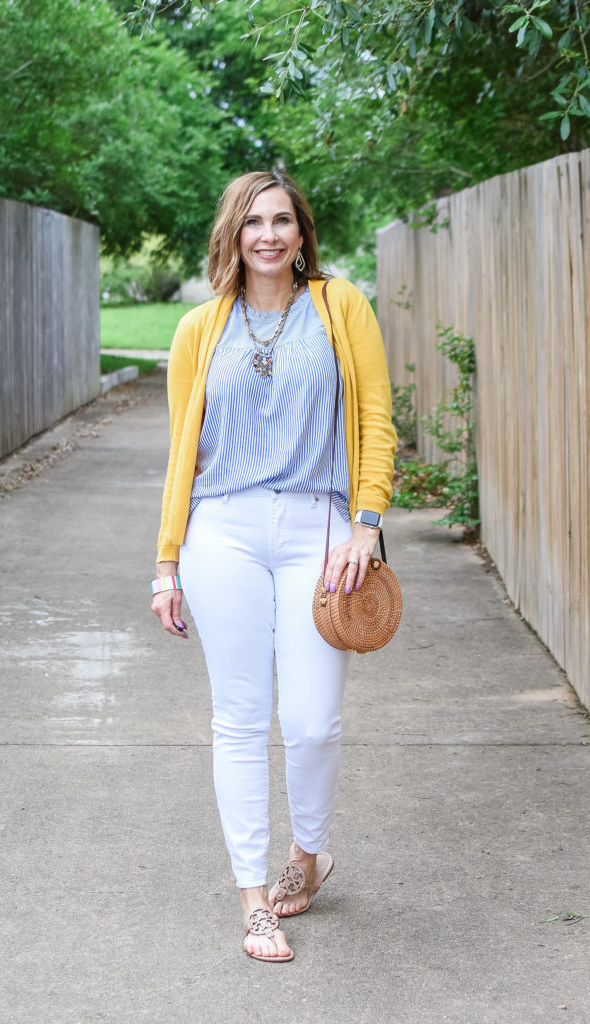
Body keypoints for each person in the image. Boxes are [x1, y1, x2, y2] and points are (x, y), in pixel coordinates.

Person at [151, 170, 396, 962]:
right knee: (240, 717)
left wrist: (366, 524)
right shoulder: (198, 329)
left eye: (282, 220)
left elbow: (375, 420)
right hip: (220, 528)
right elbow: (182, 457)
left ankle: (309, 853)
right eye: (253, 222)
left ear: (301, 233)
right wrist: (167, 564)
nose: (268, 235)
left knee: (314, 720)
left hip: (318, 529)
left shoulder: (340, 306)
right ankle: (253, 897)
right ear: (233, 234)